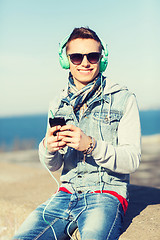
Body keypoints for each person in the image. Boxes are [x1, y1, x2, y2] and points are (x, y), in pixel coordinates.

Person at [12, 27, 141, 240]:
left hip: (105, 195)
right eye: (76, 57)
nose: (85, 62)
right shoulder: (57, 103)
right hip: (64, 195)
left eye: (92, 56)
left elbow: (132, 161)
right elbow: (53, 165)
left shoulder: (124, 99)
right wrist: (49, 148)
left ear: (102, 58)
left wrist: (92, 145)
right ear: (66, 61)